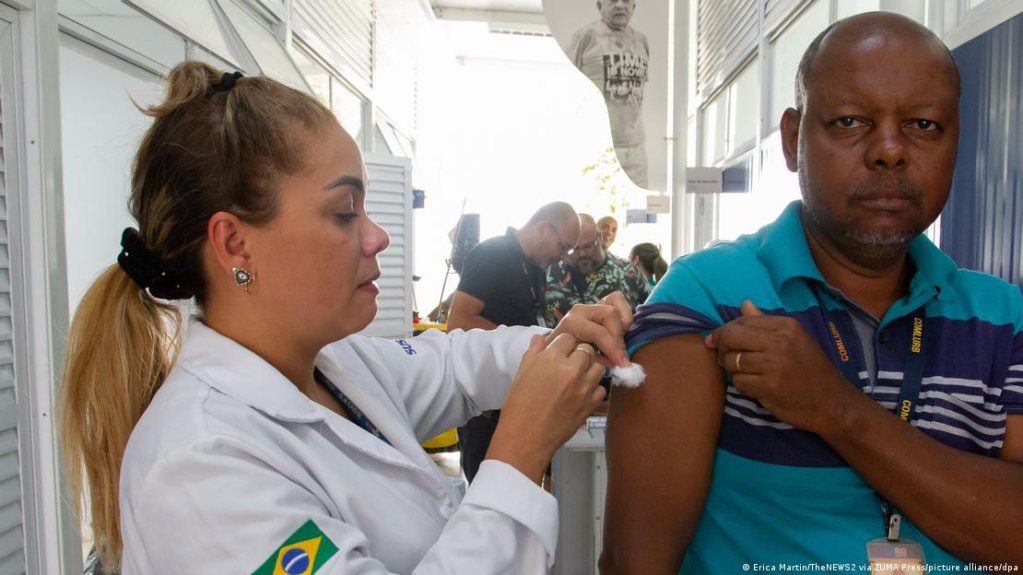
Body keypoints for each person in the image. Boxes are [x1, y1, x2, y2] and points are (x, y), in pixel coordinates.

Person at [58, 62, 634, 574]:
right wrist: (517, 456)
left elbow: (455, 363)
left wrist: (564, 338)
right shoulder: (199, 469)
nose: (378, 236)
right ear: (234, 245)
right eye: (343, 212)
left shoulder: (331, 367)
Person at [601, 12, 1023, 573]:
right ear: (794, 140)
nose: (890, 151)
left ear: (955, 141)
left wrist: (834, 410)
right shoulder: (706, 297)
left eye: (923, 125)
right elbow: (637, 563)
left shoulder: (1005, 316)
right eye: (851, 121)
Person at [446, 202, 580, 484]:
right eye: (563, 246)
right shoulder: (492, 255)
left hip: (516, 399)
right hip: (485, 407)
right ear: (544, 228)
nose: (563, 257)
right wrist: (529, 345)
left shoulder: (534, 267)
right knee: (488, 490)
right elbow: (458, 322)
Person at [567, 0, 650, 188]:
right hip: (596, 144)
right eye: (612, 0)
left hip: (635, 149)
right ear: (599, 6)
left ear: (634, 7)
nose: (620, 5)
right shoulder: (585, 37)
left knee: (638, 209)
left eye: (626, 1)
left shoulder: (642, 42)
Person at [546, 214, 649, 325]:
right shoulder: (551, 274)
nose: (582, 254)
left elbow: (652, 313)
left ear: (599, 237)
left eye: (588, 246)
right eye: (574, 249)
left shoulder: (628, 272)